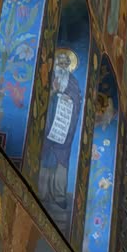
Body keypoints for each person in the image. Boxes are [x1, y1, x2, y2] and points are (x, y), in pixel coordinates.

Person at [39, 49, 83, 214]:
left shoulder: (73, 81)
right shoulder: (50, 76)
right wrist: (54, 92)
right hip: (48, 123)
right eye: (60, 63)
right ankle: (41, 192)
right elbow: (42, 95)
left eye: (66, 64)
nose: (63, 67)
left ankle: (59, 196)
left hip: (64, 127)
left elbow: (77, 101)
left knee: (62, 159)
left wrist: (69, 99)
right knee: (44, 155)